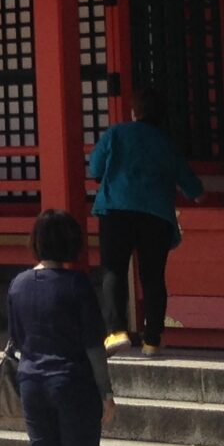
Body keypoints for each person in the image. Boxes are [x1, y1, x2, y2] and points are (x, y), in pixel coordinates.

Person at [6, 209, 116, 446]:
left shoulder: (18, 284)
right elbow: (93, 345)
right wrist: (106, 392)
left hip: (31, 380)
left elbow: (16, 338)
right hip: (72, 381)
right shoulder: (77, 285)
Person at [86, 86, 203, 356]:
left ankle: (116, 331)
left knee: (113, 270)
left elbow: (95, 168)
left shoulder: (116, 133)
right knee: (153, 276)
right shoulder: (166, 143)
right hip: (156, 214)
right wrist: (198, 194)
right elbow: (191, 185)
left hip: (117, 208)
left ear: (134, 112)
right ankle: (152, 339)